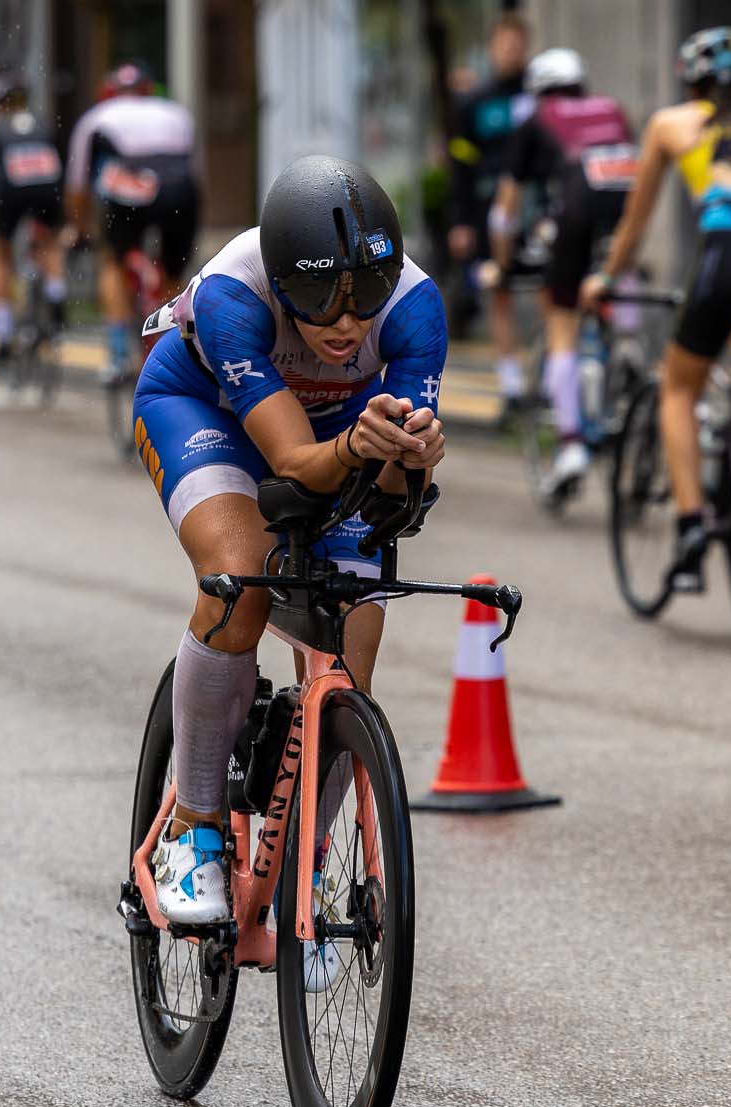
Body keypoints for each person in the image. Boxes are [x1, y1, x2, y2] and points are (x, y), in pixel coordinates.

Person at [132, 155, 446, 925]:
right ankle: (193, 827)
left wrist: (411, 458)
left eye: (364, 297)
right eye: (319, 299)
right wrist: (362, 447)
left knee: (353, 639)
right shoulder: (232, 297)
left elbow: (390, 500)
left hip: (337, 431)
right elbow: (295, 464)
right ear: (279, 282)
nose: (346, 323)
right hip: (206, 410)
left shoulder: (416, 309)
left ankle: (305, 866)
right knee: (240, 578)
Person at [579, 26, 731, 591]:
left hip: (730, 247)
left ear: (691, 82)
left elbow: (636, 222)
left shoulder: (671, 123)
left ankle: (690, 527)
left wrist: (606, 278)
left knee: (679, 389)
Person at [491, 46, 635, 500]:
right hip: (627, 208)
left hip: (575, 209)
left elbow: (505, 209)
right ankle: (629, 347)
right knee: (613, 277)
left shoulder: (535, 120)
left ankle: (571, 443)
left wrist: (502, 263)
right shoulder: (612, 110)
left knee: (561, 321)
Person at [65, 60, 200, 387]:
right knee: (174, 271)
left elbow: (77, 186)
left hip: (131, 188)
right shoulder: (176, 113)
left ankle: (117, 356)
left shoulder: (97, 117)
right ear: (149, 89)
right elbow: (195, 168)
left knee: (113, 261)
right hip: (181, 190)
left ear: (111, 91)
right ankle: (178, 349)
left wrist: (80, 229)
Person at [444, 10, 532, 423]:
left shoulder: (537, 97)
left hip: (535, 211)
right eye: (504, 44)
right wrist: (460, 221)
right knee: (499, 292)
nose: (510, 51)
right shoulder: (475, 102)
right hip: (486, 213)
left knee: (552, 291)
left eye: (517, 44)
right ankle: (512, 387)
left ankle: (550, 382)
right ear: (493, 48)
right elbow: (460, 165)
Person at [0, 70, 67, 362]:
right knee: (50, 245)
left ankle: (3, 334)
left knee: (0, 256)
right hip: (47, 187)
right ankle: (56, 295)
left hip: (10, 191)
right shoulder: (43, 124)